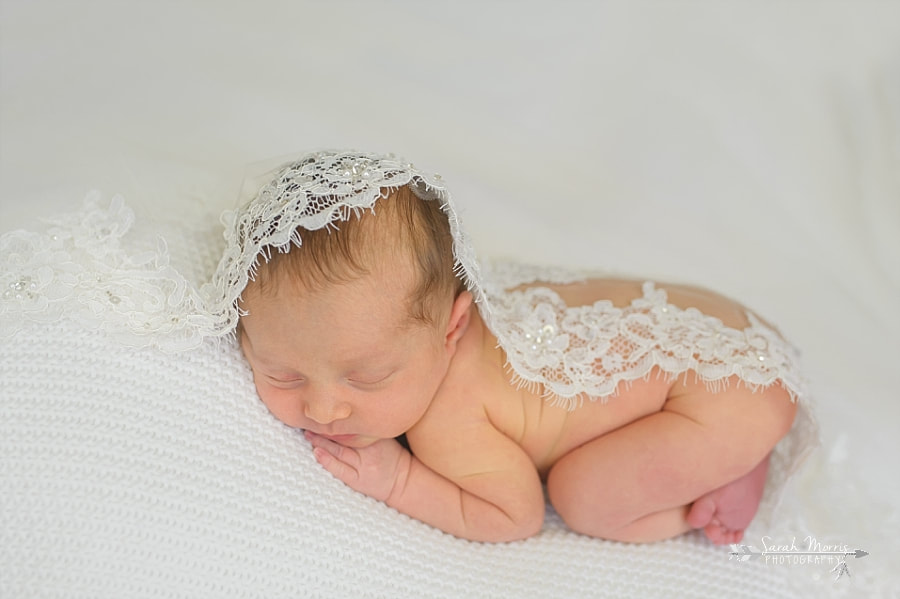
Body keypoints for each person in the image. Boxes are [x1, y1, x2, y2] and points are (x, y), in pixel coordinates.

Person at [222, 150, 816, 545]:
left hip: (725, 395)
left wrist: (398, 481)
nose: (324, 411)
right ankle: (732, 444)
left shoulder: (448, 420)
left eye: (369, 377)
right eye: (282, 375)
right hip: (731, 326)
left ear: (453, 328)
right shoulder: (435, 304)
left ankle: (727, 473)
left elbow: (513, 516)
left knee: (585, 500)